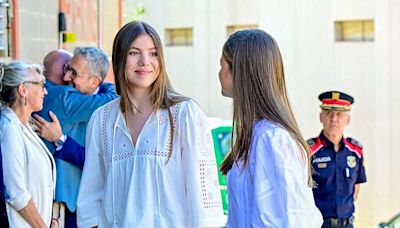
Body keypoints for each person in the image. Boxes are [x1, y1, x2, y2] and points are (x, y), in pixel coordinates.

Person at [77, 21, 225, 227]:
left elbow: (203, 200)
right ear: (120, 59)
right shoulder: (101, 119)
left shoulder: (185, 114)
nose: (145, 61)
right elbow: (90, 198)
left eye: (153, 53)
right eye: (134, 53)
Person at [218, 29, 323, 227]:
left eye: (222, 65)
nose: (219, 73)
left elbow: (289, 220)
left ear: (239, 72)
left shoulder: (271, 139)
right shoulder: (255, 135)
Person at [34, 47, 118, 228]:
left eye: (72, 72)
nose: (66, 78)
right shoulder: (63, 96)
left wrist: (60, 138)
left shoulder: (108, 112)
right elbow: (116, 97)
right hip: (65, 202)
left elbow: (106, 160)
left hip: (94, 204)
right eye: (66, 69)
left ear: (94, 81)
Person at [0, 61, 56, 227]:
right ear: (23, 90)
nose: (45, 91)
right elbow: (16, 193)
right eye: (40, 84)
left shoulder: (23, 126)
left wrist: (50, 219)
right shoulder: (9, 129)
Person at [308, 91, 367, 228]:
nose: (334, 119)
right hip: (318, 224)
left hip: (347, 224)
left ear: (348, 120)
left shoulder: (355, 151)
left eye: (339, 114)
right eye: (329, 113)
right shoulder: (309, 151)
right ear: (321, 117)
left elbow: (355, 191)